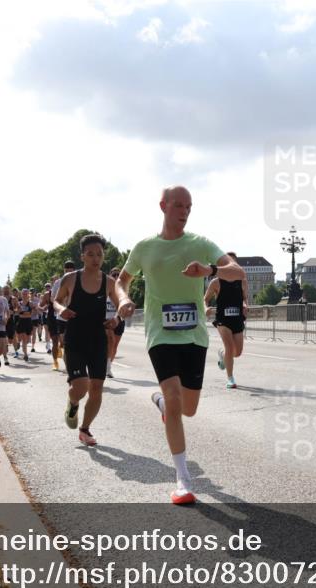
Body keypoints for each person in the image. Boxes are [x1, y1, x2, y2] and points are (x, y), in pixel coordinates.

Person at [116, 185, 245, 504]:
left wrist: (210, 269)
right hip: (160, 333)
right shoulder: (145, 247)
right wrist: (123, 299)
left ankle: (162, 403)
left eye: (188, 206)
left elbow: (237, 271)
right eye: (178, 206)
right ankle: (183, 480)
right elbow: (122, 280)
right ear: (163, 206)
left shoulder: (199, 243)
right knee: (176, 401)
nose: (184, 211)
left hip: (194, 335)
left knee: (187, 408)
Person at [54, 234, 121, 446]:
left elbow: (120, 304)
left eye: (99, 254)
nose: (95, 258)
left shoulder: (109, 282)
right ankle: (73, 402)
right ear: (82, 256)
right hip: (75, 338)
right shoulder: (71, 279)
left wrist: (117, 319)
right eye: (90, 254)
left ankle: (85, 429)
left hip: (98, 340)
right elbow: (56, 301)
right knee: (80, 387)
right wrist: (62, 309)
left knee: (97, 388)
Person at [204, 252, 249, 389]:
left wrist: (245, 305)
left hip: (237, 319)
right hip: (222, 319)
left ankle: (222, 355)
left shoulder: (242, 281)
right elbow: (205, 299)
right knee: (230, 347)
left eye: (234, 264)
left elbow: (245, 298)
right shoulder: (216, 282)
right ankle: (230, 378)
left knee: (238, 352)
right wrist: (206, 308)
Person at [51, 262, 75, 370]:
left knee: (72, 343)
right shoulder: (58, 282)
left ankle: (70, 365)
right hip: (61, 316)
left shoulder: (79, 281)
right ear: (64, 270)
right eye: (66, 270)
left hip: (74, 316)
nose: (69, 272)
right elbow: (53, 299)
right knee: (62, 342)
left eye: (71, 270)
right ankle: (60, 362)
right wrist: (61, 304)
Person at [105, 269, 126, 378]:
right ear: (109, 275)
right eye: (114, 274)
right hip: (107, 320)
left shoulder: (122, 290)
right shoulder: (104, 287)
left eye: (118, 274)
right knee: (111, 341)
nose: (116, 276)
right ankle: (107, 368)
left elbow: (124, 306)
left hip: (119, 319)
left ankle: (108, 365)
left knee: (115, 345)